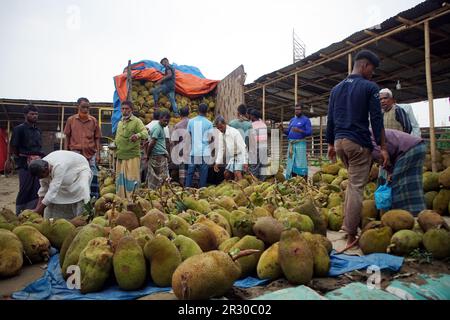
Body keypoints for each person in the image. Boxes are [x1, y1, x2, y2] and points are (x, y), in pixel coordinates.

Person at [327, 49, 389, 251]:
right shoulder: (369, 87)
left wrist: (330, 144)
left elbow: (331, 119)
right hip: (357, 143)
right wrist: (383, 147)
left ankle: (348, 224)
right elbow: (376, 118)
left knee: (352, 183)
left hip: (340, 143)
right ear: (364, 66)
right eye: (372, 69)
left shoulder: (336, 89)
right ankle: (351, 234)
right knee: (355, 186)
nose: (373, 74)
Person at [371, 129, 426, 216]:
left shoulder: (366, 141)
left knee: (398, 185)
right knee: (411, 185)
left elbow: (384, 159)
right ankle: (417, 213)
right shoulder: (366, 135)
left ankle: (407, 215)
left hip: (410, 148)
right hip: (416, 146)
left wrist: (390, 172)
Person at [29, 151, 92, 219]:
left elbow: (53, 190)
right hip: (66, 166)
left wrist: (39, 210)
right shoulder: (40, 169)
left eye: (42, 176)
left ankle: (83, 217)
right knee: (54, 192)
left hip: (81, 168)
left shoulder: (59, 166)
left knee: (81, 189)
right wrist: (37, 209)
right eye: (39, 177)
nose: (41, 178)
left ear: (46, 169)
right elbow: (43, 189)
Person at [64, 97, 102, 198]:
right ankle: (77, 198)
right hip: (75, 153)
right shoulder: (71, 120)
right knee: (76, 176)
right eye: (83, 107)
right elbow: (67, 137)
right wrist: (65, 153)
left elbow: (97, 138)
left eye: (87, 108)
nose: (85, 110)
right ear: (78, 107)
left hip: (90, 153)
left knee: (93, 176)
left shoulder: (93, 120)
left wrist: (98, 154)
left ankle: (93, 199)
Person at [9, 104, 43, 214]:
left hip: (38, 163)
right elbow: (14, 146)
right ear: (25, 115)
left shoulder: (38, 130)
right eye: (32, 114)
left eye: (36, 114)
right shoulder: (19, 129)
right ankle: (20, 212)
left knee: (37, 188)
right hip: (24, 163)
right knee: (25, 188)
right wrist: (20, 159)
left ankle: (32, 212)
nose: (35, 116)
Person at [114, 101, 149, 200]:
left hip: (132, 156)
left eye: (127, 109)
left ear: (131, 110)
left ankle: (132, 199)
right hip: (120, 155)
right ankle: (121, 199)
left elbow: (145, 133)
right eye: (123, 109)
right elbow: (117, 137)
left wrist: (137, 135)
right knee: (120, 180)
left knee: (131, 178)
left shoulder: (136, 121)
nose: (124, 111)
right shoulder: (120, 122)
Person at [186, 103, 213, 188]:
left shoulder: (191, 121)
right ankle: (202, 191)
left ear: (198, 110)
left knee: (190, 172)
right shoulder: (209, 123)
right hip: (205, 153)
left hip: (194, 151)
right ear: (207, 112)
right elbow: (210, 138)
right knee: (203, 174)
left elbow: (189, 135)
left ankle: (187, 189)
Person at [282, 104, 312, 180]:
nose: (297, 111)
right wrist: (282, 129)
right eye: (295, 109)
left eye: (298, 109)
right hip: (291, 145)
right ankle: (292, 179)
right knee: (291, 162)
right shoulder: (292, 120)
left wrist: (300, 131)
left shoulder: (306, 120)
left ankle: (303, 179)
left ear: (302, 110)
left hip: (300, 144)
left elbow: (309, 132)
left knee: (300, 163)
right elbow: (288, 133)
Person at [214, 116, 248, 182]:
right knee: (226, 174)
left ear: (225, 124)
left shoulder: (234, 132)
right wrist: (217, 162)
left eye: (221, 127)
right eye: (218, 128)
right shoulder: (221, 134)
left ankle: (242, 189)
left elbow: (243, 147)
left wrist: (245, 161)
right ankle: (232, 186)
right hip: (233, 156)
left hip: (240, 155)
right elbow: (221, 149)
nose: (220, 129)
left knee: (237, 173)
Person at [146, 110, 171, 190]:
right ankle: (157, 191)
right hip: (157, 156)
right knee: (159, 177)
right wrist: (148, 154)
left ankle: (157, 191)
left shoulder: (160, 127)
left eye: (167, 121)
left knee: (157, 176)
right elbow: (152, 143)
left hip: (160, 154)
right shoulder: (157, 128)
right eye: (164, 121)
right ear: (160, 119)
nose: (166, 123)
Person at [172, 106, 190, 186]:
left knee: (182, 169)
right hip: (191, 149)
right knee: (192, 168)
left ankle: (183, 184)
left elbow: (175, 140)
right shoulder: (192, 123)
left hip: (181, 149)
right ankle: (193, 185)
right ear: (188, 113)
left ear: (180, 114)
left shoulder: (177, 126)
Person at [248, 109, 268, 180]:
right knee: (263, 166)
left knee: (254, 167)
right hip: (264, 147)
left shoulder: (252, 125)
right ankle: (263, 182)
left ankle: (254, 181)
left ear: (253, 116)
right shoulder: (263, 124)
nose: (249, 117)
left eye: (250, 116)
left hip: (256, 148)